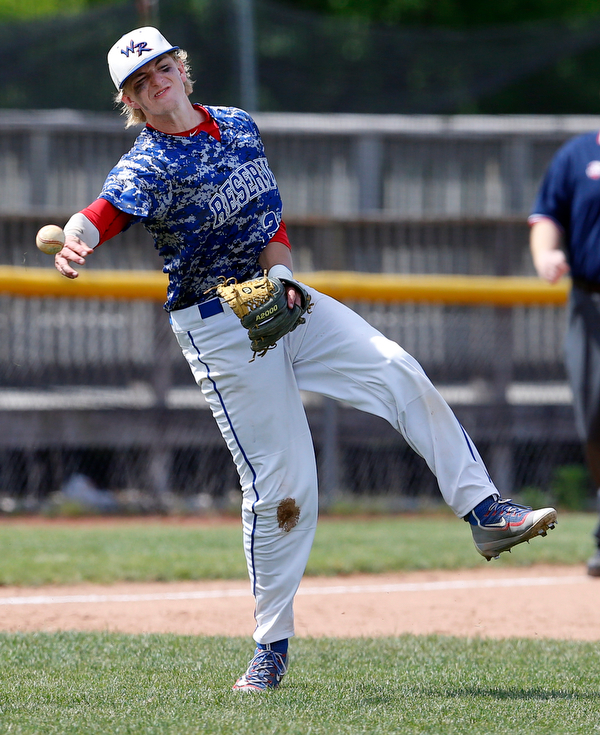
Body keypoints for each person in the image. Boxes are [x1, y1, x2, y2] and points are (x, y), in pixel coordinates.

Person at [54, 26, 558, 691]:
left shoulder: (236, 126)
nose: (158, 81)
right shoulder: (148, 161)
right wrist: (76, 239)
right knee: (287, 488)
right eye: (141, 82)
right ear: (134, 103)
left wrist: (286, 274)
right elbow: (102, 212)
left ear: (182, 68)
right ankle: (270, 649)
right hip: (218, 325)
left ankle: (486, 513)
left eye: (163, 66)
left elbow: (269, 227)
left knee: (394, 366)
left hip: (276, 292)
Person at [530, 131, 600, 579]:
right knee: (595, 415)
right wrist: (547, 254)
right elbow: (547, 216)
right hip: (591, 304)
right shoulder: (578, 155)